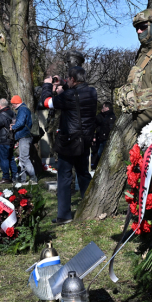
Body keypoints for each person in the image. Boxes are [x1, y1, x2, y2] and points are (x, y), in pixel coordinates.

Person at [41, 66, 98, 224]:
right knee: (83, 175)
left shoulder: (68, 96)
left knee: (64, 177)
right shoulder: (92, 92)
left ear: (73, 79)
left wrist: (47, 85)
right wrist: (64, 84)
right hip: (84, 141)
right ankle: (89, 208)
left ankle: (64, 215)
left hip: (69, 142)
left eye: (68, 79)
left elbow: (46, 102)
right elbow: (76, 95)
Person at [10, 94, 37, 185]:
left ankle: (33, 178)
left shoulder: (22, 109)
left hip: (24, 136)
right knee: (22, 159)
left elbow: (21, 123)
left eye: (12, 104)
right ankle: (23, 179)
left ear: (15, 103)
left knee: (25, 158)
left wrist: (13, 127)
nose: (12, 106)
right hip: (25, 136)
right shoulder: (24, 109)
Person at [0, 98, 16, 183]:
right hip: (12, 138)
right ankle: (14, 176)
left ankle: (5, 177)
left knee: (4, 158)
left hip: (3, 139)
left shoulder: (1, 116)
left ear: (0, 106)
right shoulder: (13, 113)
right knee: (11, 158)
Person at [92, 102, 115, 170]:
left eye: (103, 107)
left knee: (101, 153)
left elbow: (110, 128)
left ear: (107, 108)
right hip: (101, 138)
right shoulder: (102, 116)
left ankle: (98, 166)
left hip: (106, 138)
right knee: (99, 153)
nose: (102, 109)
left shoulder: (110, 117)